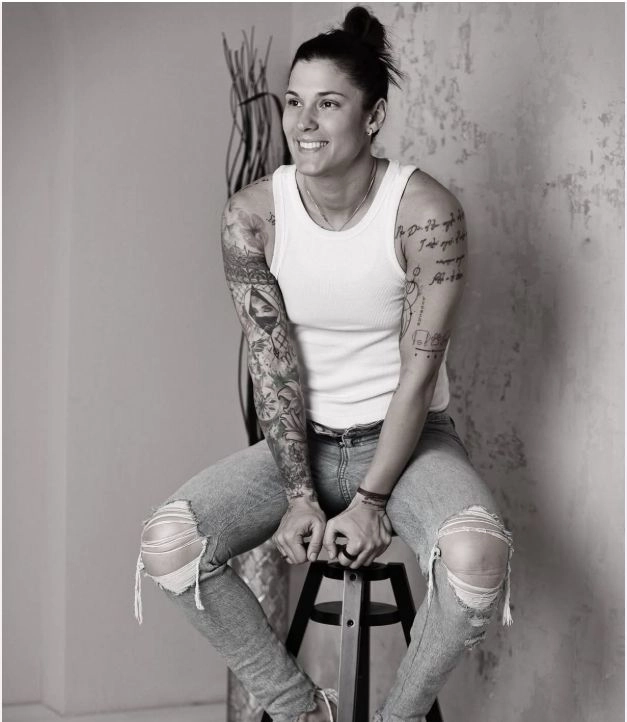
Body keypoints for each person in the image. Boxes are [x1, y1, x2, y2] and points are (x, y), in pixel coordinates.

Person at [134, 7, 514, 722]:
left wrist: (369, 501)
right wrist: (299, 492)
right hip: (299, 441)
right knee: (169, 544)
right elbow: (272, 368)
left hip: (407, 443)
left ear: (373, 118)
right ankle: (301, 711)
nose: (303, 123)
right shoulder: (252, 215)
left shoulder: (424, 213)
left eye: (328, 104)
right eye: (293, 102)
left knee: (476, 558)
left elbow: (417, 376)